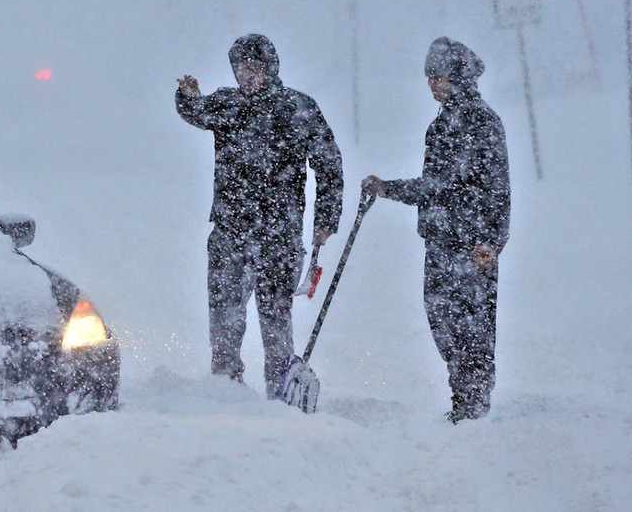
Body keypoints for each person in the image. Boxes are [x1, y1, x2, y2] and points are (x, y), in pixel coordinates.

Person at [177, 34, 343, 394]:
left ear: (271, 68)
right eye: (240, 68)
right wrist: (188, 97)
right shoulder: (227, 104)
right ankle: (225, 389)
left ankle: (279, 392)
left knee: (276, 319)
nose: (247, 75)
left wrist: (327, 219)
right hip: (229, 231)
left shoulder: (298, 108)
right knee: (224, 319)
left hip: (279, 235)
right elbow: (197, 112)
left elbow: (329, 165)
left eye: (255, 67)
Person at [364, 36, 510, 423]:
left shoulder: (484, 124)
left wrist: (491, 242)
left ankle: (473, 404)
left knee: (473, 329)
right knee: (443, 323)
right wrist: (386, 188)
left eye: (439, 76)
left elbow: (499, 189)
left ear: (459, 76)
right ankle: (464, 395)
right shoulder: (441, 126)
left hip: (473, 247)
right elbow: (436, 187)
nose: (432, 84)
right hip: (440, 243)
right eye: (429, 77)